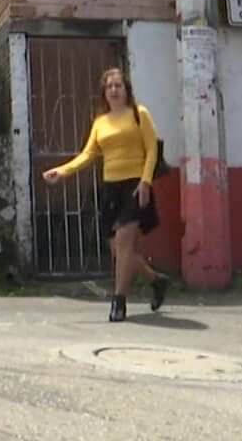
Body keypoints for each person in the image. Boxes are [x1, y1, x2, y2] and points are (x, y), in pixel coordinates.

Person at [42, 66, 171, 322]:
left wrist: (145, 182)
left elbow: (152, 150)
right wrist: (63, 171)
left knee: (124, 243)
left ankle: (118, 302)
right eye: (109, 86)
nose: (114, 90)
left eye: (118, 86)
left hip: (135, 185)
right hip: (110, 188)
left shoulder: (139, 114)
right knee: (119, 251)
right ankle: (156, 280)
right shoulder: (100, 122)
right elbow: (88, 155)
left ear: (126, 90)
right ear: (104, 92)